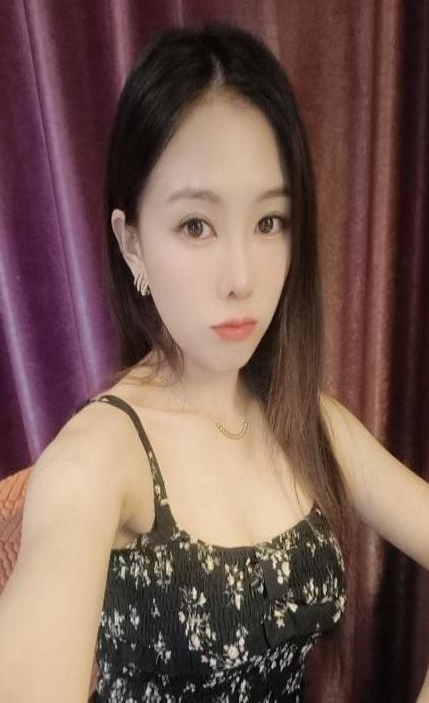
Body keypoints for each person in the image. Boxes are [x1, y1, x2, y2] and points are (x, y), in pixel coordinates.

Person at [0, 20, 428, 703]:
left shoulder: (303, 416)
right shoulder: (98, 458)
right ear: (132, 244)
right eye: (195, 225)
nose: (241, 278)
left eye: (268, 223)